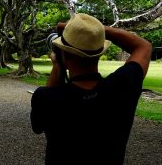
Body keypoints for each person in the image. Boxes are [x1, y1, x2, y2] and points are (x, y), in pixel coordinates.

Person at [30, 13, 152, 165]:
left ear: (65, 56)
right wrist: (96, 31)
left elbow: (39, 126)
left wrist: (57, 65)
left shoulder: (45, 98)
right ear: (99, 53)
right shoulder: (123, 85)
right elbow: (144, 46)